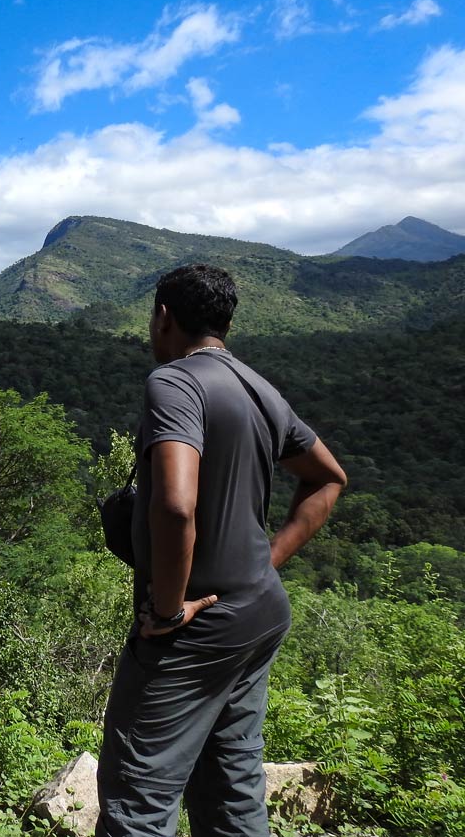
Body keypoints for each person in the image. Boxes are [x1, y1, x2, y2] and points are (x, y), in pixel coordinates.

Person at [95, 264, 347, 836]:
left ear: (164, 316)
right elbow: (329, 478)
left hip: (192, 631)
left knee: (138, 797)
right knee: (230, 785)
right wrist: (267, 561)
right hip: (257, 613)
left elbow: (177, 504)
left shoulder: (175, 383)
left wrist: (166, 607)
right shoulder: (260, 389)